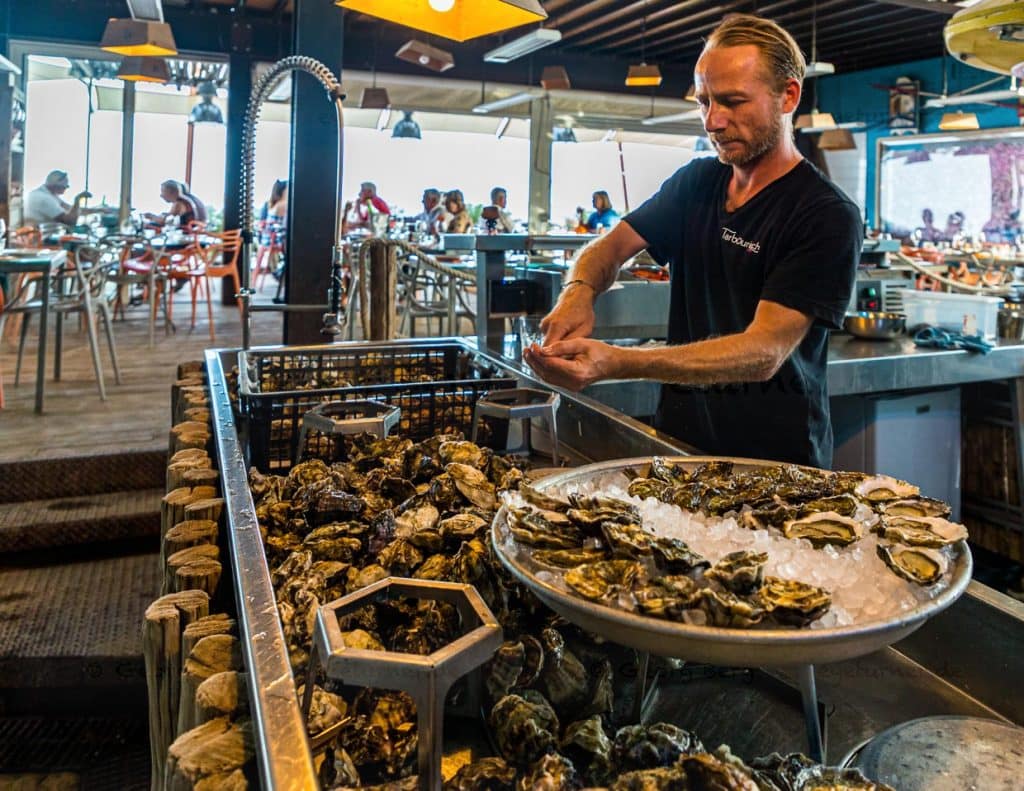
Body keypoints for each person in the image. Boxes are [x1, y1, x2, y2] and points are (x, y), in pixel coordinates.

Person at [525, 14, 863, 470]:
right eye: (703, 101)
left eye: (732, 101)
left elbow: (762, 352)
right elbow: (607, 248)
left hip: (773, 464)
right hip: (679, 448)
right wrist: (578, 293)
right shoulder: (697, 181)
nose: (712, 120)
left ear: (788, 96)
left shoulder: (824, 213)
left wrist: (619, 361)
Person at [24, 170, 93, 228]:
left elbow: (70, 208)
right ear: (56, 184)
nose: (66, 189)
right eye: (65, 186)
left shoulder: (49, 195)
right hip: (41, 239)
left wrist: (98, 210)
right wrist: (77, 200)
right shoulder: (44, 198)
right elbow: (70, 221)